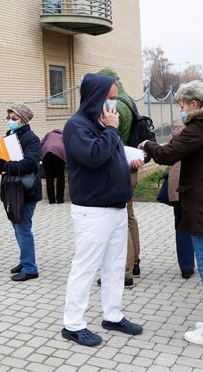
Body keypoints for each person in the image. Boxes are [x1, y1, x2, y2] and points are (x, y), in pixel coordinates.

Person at [141, 80, 203, 348]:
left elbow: (167, 154)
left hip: (200, 204)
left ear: (194, 104)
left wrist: (148, 144)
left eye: (182, 105)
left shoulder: (198, 128)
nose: (181, 110)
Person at [61, 73, 143, 348]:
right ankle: (73, 324)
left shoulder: (104, 123)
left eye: (116, 96)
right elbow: (94, 157)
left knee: (115, 266)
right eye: (110, 97)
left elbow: (111, 154)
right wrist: (111, 130)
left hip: (116, 208)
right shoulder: (77, 126)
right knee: (85, 267)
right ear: (95, 97)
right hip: (93, 211)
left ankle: (112, 315)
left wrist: (128, 159)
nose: (114, 103)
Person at [98, 67, 145, 284]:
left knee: (121, 219)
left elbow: (113, 140)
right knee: (129, 216)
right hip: (132, 164)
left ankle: (125, 271)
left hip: (120, 167)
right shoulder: (130, 102)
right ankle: (135, 262)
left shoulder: (115, 108)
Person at [0, 103, 42, 282]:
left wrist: (6, 166)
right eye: (8, 118)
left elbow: (30, 163)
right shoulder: (10, 136)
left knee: (23, 228)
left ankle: (30, 268)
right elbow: (6, 160)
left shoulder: (31, 138)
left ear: (24, 120)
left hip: (26, 190)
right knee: (17, 226)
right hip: (12, 187)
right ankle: (24, 260)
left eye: (14, 119)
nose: (10, 121)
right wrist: (0, 165)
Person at [166, 118, 195, 279]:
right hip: (196, 185)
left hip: (177, 185)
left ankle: (186, 265)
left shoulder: (175, 130)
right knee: (199, 224)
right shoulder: (200, 131)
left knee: (180, 225)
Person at [40, 129, 66, 204]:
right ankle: (60, 199)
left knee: (49, 177)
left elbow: (41, 143)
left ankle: (51, 200)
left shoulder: (48, 134)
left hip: (46, 152)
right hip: (60, 152)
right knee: (60, 176)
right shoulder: (63, 135)